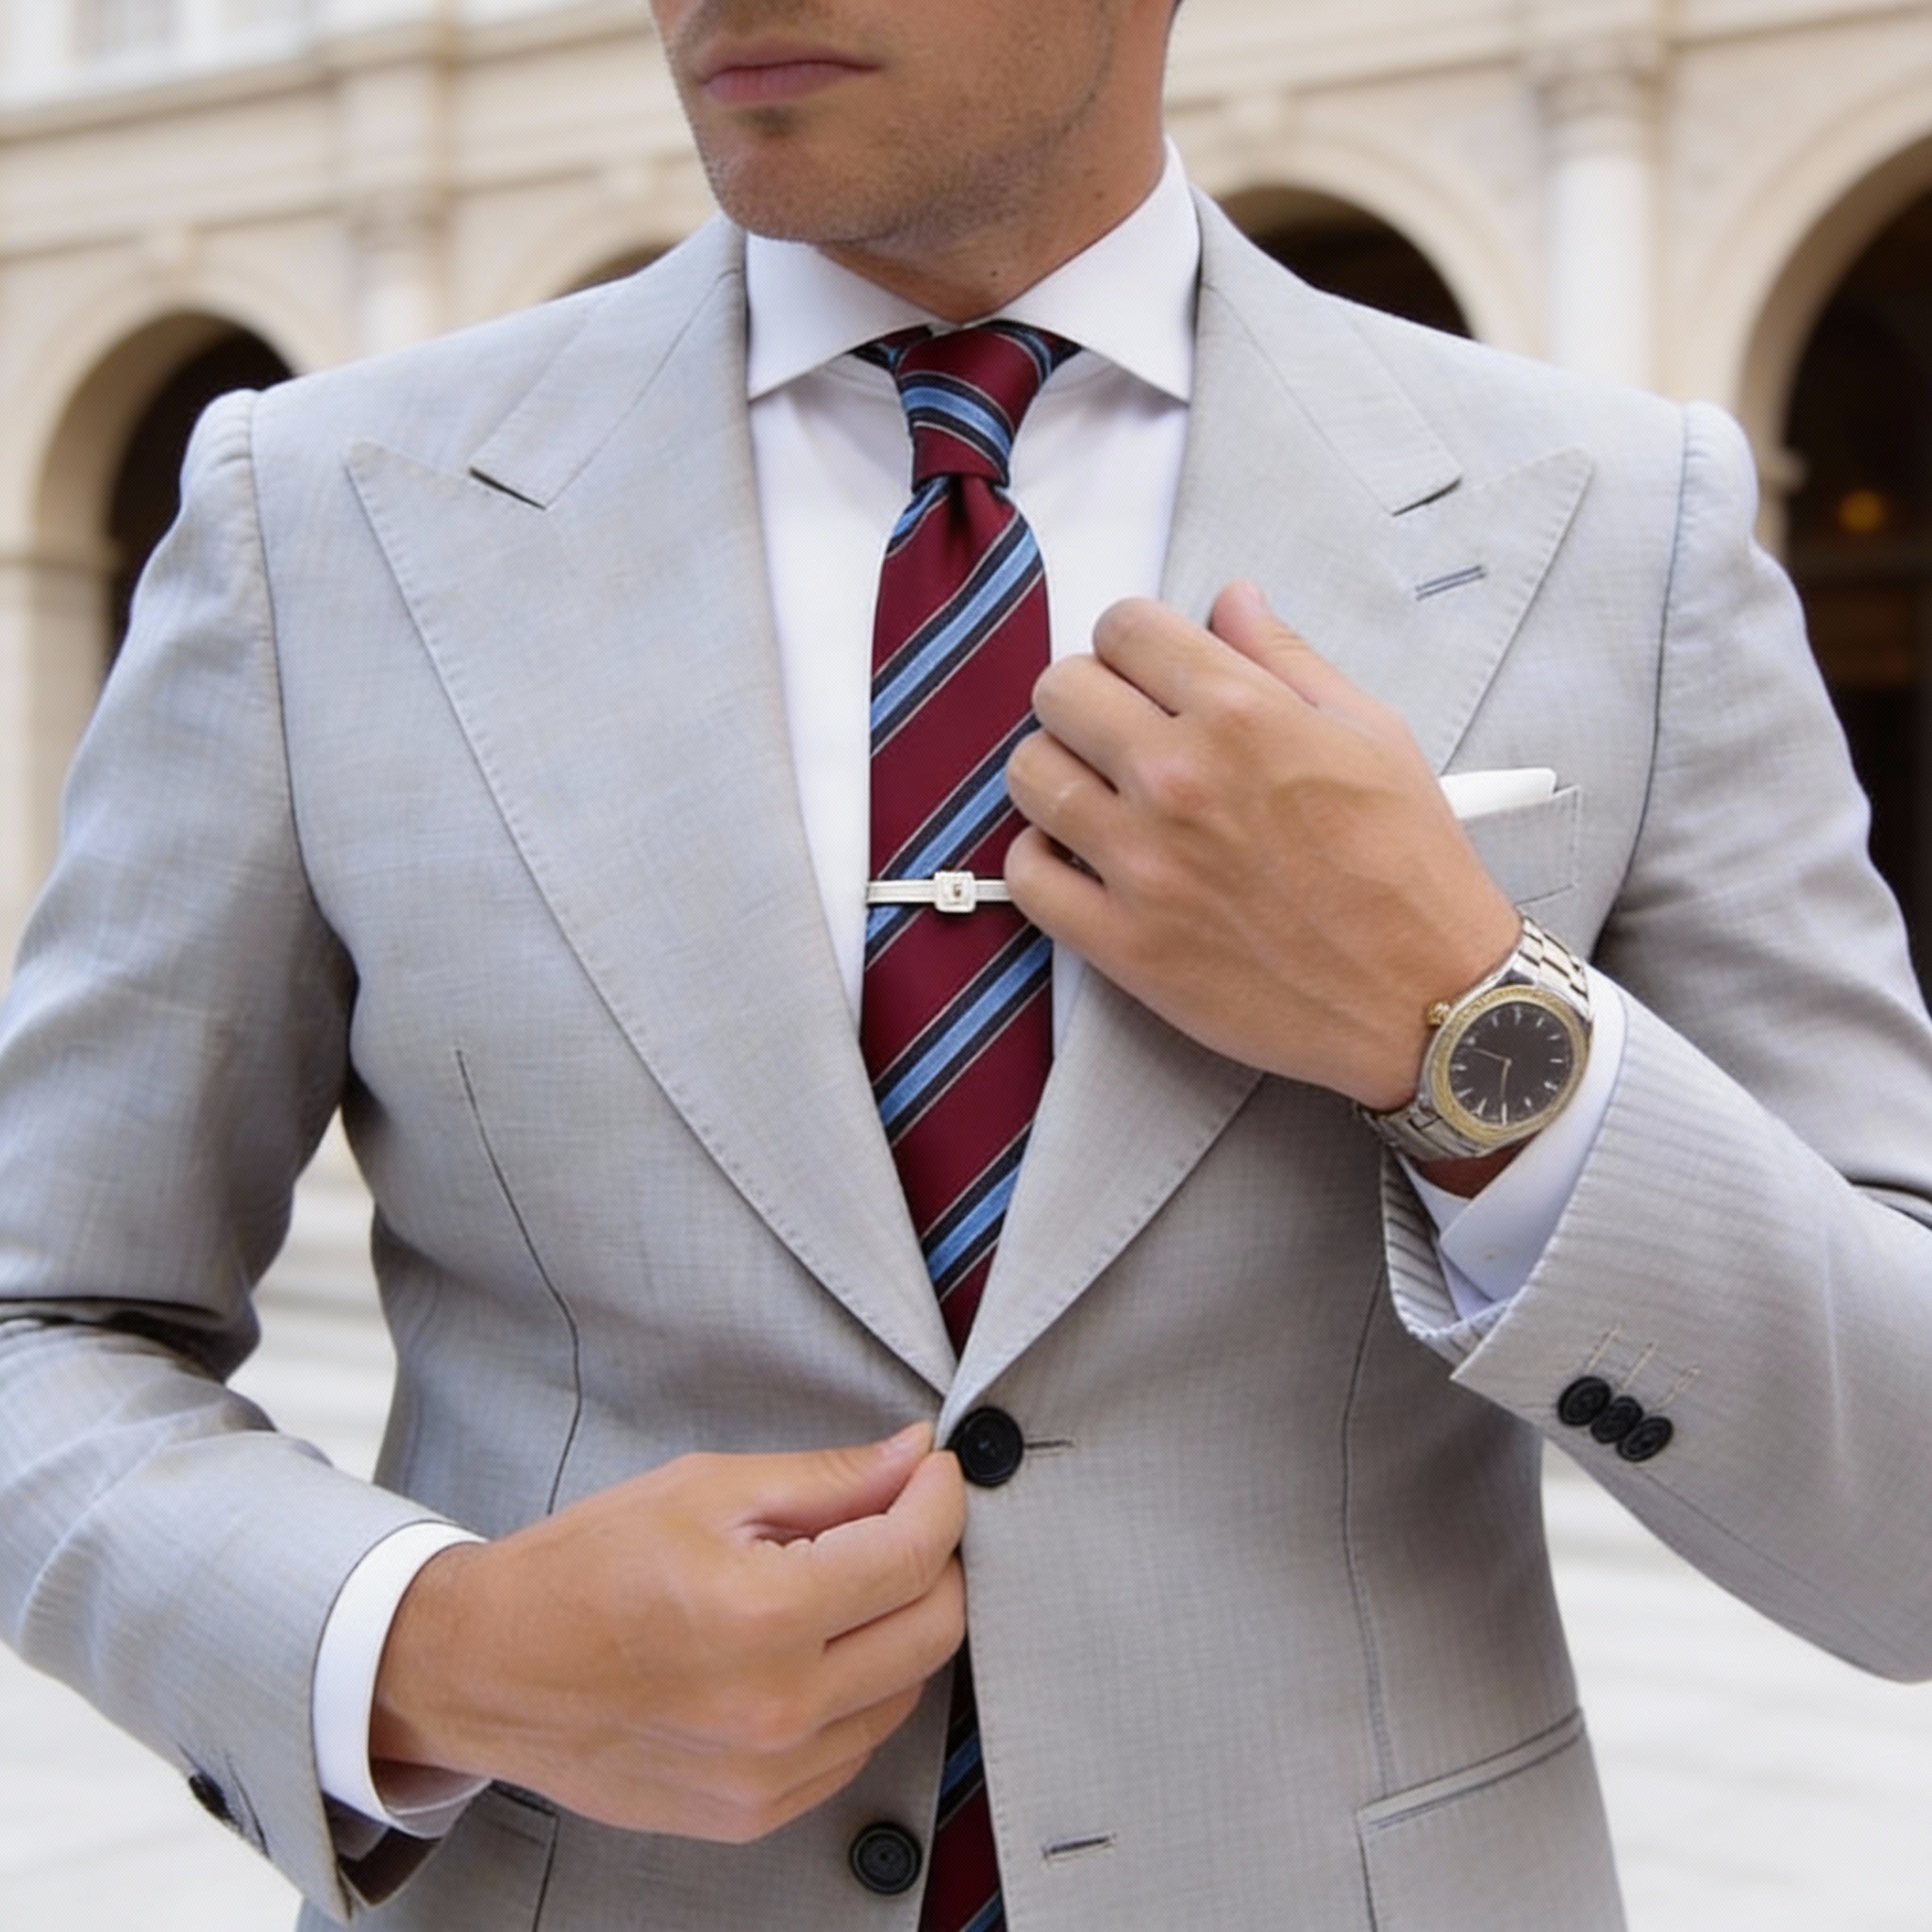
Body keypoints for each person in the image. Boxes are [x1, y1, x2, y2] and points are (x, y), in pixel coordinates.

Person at [4, 0, 1932, 1926]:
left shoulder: (1613, 533)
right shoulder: (316, 518)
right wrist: (426, 1647)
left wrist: (1465, 1023)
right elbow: (41, 1322)